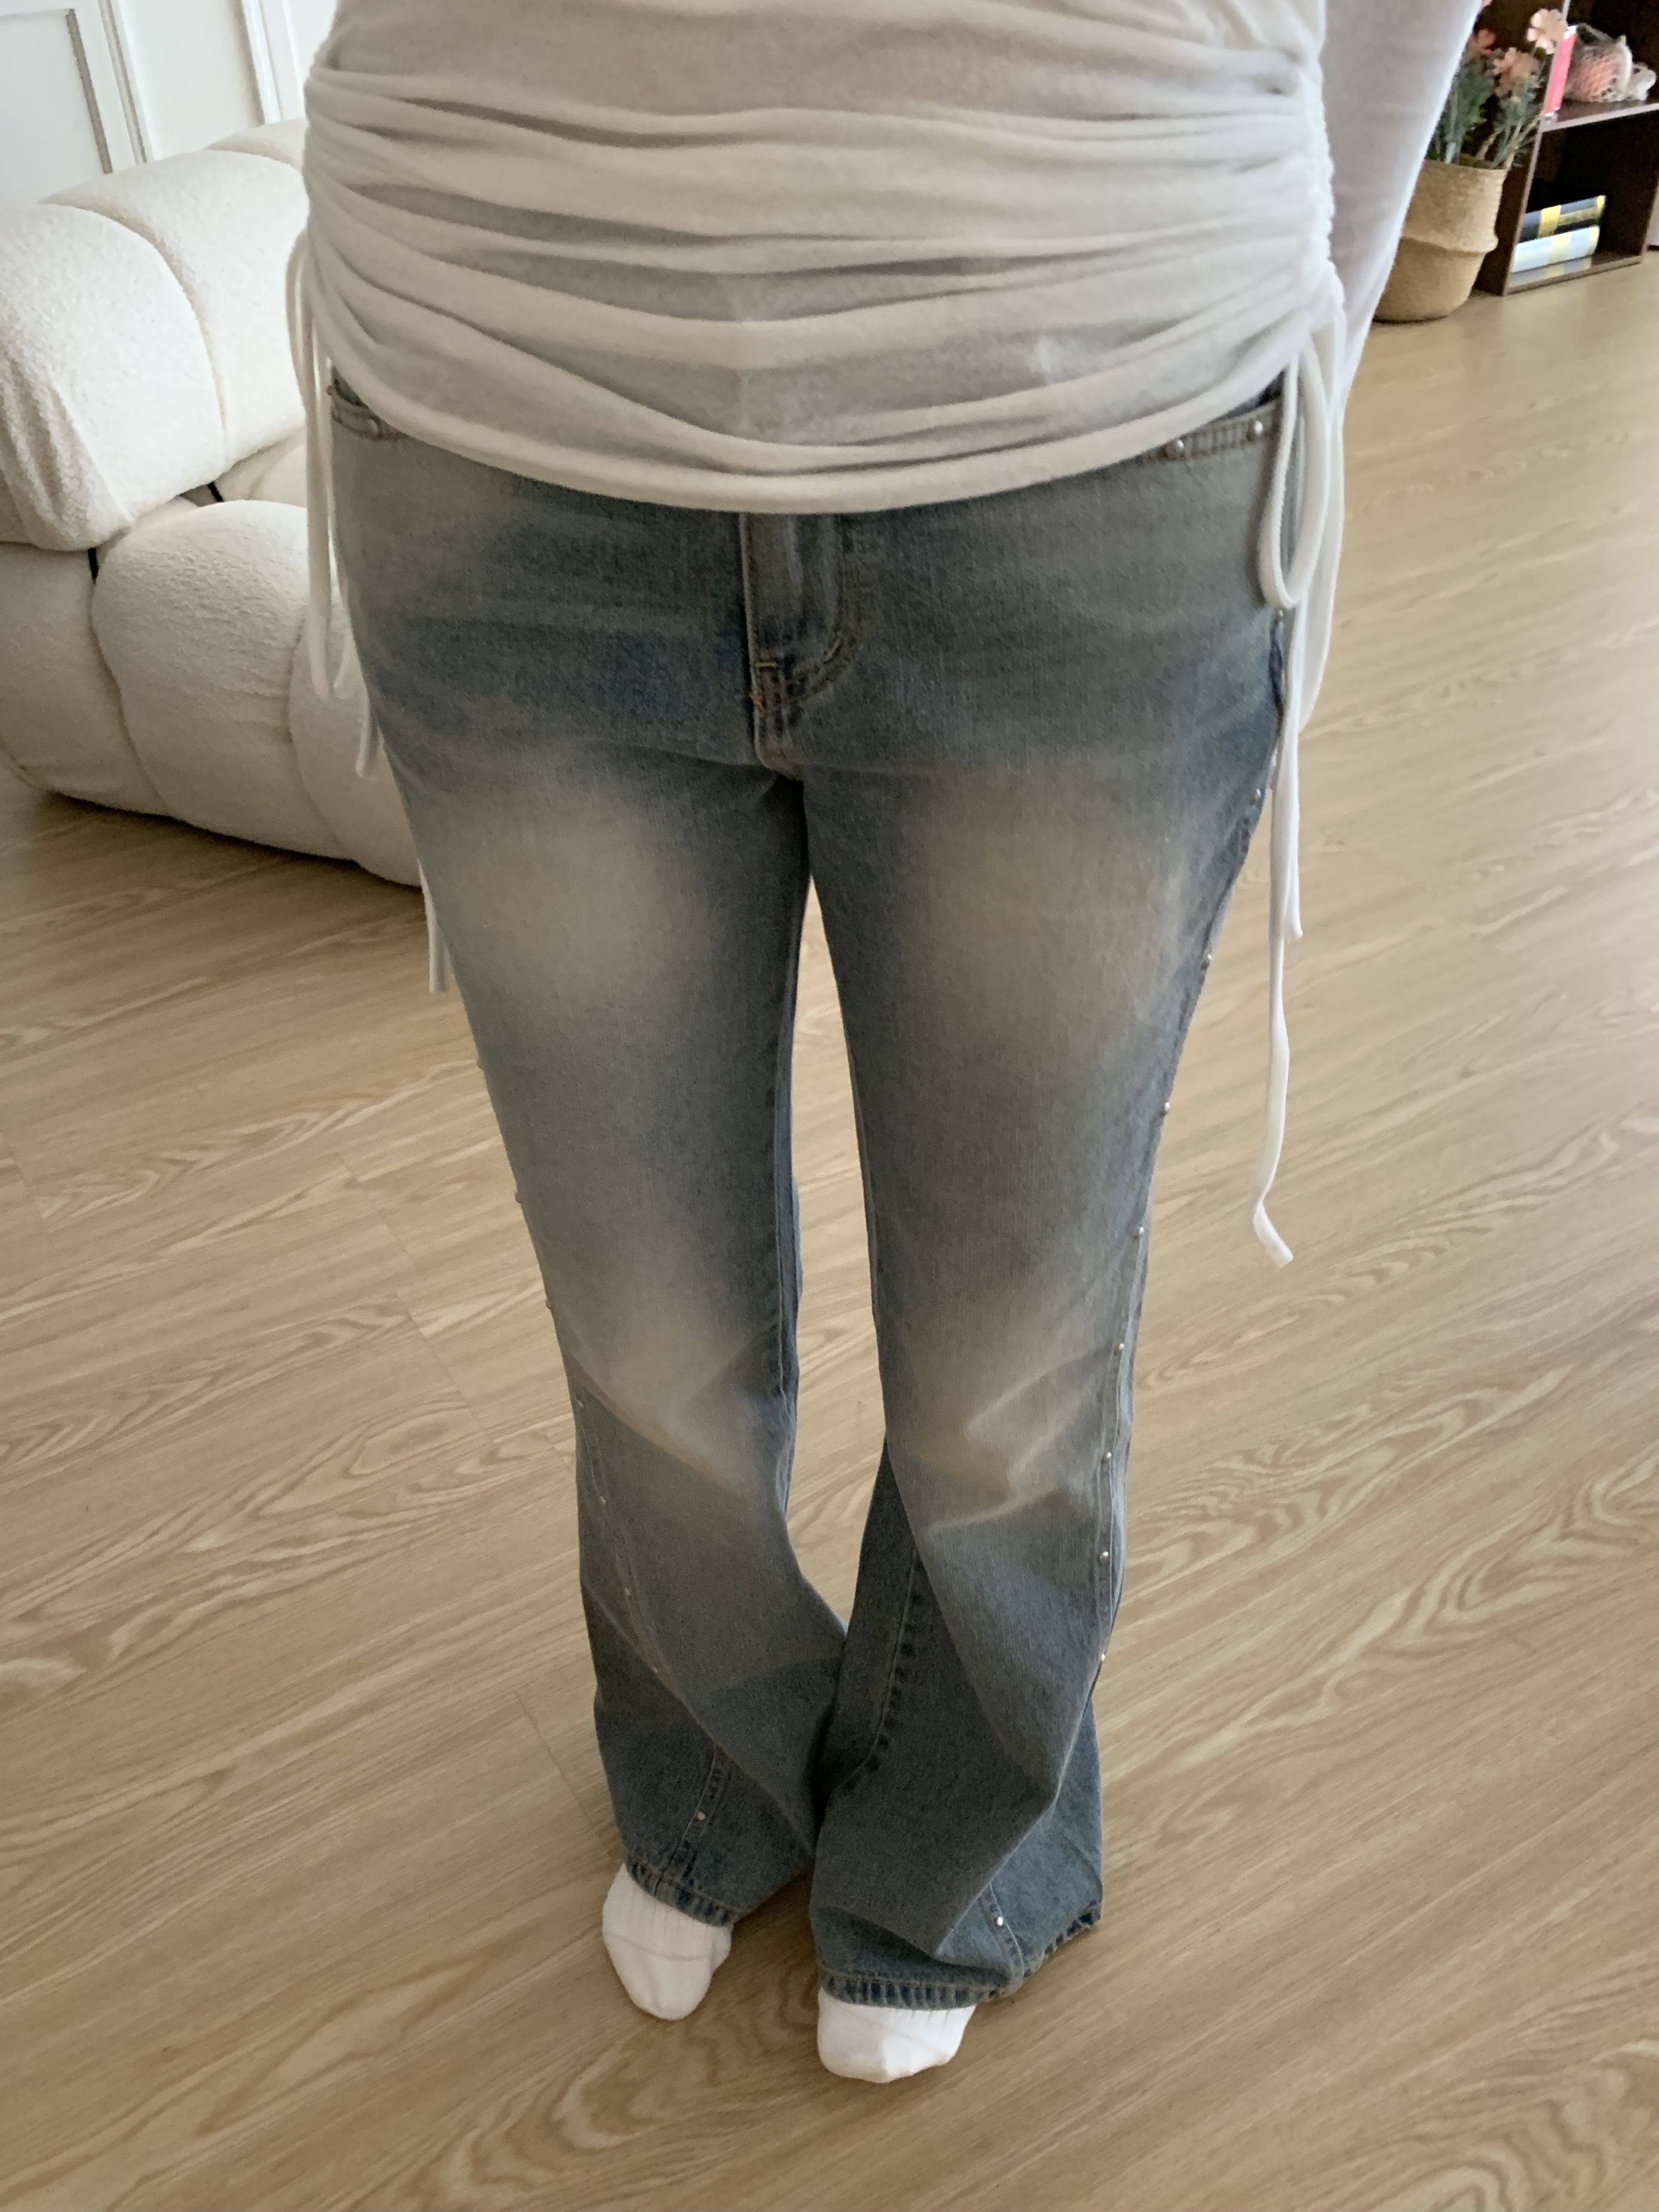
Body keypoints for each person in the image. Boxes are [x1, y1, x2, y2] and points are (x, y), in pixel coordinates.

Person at [289, 0, 1469, 2084]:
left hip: (1102, 401)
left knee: (1015, 1350)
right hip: (499, 378)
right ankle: (708, 1770)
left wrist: (1284, 290)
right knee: (641, 1328)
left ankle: (957, 1839)